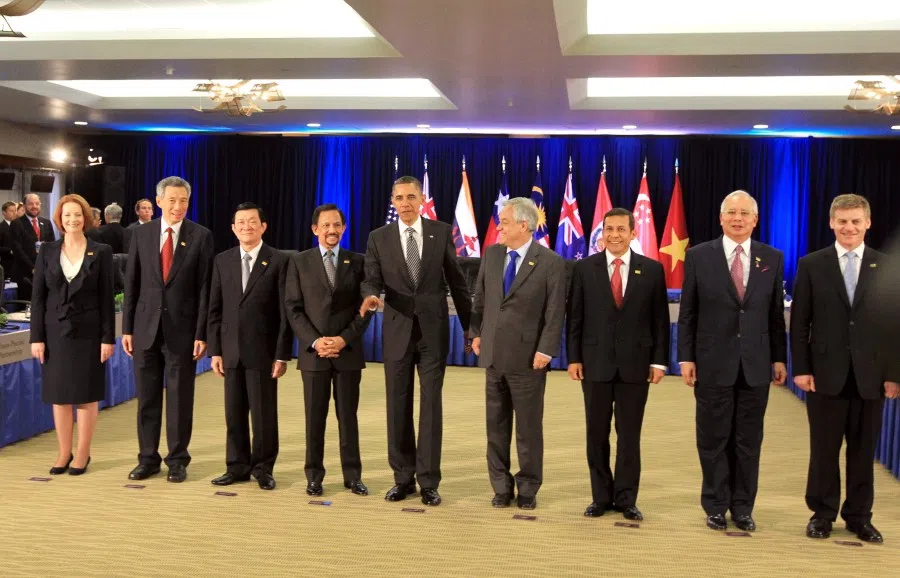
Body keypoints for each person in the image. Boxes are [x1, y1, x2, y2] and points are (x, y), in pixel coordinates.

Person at [791, 194, 899, 544]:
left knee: (863, 451)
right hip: (825, 374)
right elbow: (800, 322)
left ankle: (859, 516)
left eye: (855, 221)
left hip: (871, 376)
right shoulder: (811, 264)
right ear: (831, 223)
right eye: (842, 221)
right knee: (824, 450)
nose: (849, 227)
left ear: (868, 223)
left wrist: (894, 374)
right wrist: (801, 368)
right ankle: (822, 514)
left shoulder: (886, 267)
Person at [677, 190, 787, 532]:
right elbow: (688, 312)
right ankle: (715, 505)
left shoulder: (772, 257)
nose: (738, 219)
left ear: (755, 220)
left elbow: (774, 315)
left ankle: (742, 508)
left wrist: (779, 358)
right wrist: (686, 357)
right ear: (721, 218)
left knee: (748, 441)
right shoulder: (698, 256)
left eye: (744, 213)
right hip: (712, 362)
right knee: (713, 438)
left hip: (756, 365)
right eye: (731, 213)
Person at [359, 176, 472, 506]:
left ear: (422, 200)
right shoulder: (379, 237)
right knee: (398, 406)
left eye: (411, 197)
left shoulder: (441, 232)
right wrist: (370, 296)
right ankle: (403, 478)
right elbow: (371, 279)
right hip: (397, 332)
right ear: (392, 201)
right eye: (399, 198)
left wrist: (471, 328)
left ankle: (429, 481)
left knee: (431, 406)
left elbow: (457, 283)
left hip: (433, 333)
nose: (405, 203)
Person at [567, 207, 669, 520]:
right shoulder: (584, 269)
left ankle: (626, 499)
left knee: (629, 436)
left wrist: (659, 362)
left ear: (633, 233)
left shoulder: (652, 270)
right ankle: (600, 497)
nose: (614, 235)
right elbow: (575, 318)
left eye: (621, 229)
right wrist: (573, 358)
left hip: (636, 366)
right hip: (594, 364)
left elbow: (660, 321)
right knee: (596, 435)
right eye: (609, 229)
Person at [469, 197, 565, 510]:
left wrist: (546, 349)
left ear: (524, 225)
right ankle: (500, 487)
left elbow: (554, 312)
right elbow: (480, 299)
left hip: (528, 359)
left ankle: (527, 489)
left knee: (528, 429)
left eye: (505, 222)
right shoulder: (492, 254)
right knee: (495, 428)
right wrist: (475, 333)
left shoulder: (550, 261)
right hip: (493, 356)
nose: (500, 227)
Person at [122, 176, 214, 483]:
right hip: (145, 329)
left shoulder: (201, 236)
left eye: (183, 200)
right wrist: (127, 328)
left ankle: (177, 459)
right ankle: (147, 458)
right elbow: (132, 282)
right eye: (172, 200)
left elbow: (204, 289)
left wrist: (201, 333)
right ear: (159, 201)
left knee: (179, 398)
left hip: (183, 331)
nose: (178, 206)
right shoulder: (141, 233)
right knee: (147, 398)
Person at [285, 204, 372, 497]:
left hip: (347, 353)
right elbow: (293, 308)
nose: (331, 230)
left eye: (336, 225)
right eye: (326, 225)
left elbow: (365, 309)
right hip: (314, 355)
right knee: (314, 419)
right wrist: (316, 341)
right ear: (315, 229)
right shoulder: (299, 262)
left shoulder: (358, 262)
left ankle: (353, 477)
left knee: (348, 418)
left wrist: (343, 340)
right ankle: (314, 477)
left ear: (344, 228)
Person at [207, 203, 292, 491]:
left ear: (263, 226)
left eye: (252, 221)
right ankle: (236, 466)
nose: (246, 226)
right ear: (233, 228)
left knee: (263, 414)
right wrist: (215, 350)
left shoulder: (279, 260)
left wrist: (281, 354)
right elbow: (215, 308)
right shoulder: (222, 260)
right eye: (240, 222)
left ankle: (263, 468)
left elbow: (285, 313)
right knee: (234, 413)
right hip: (230, 350)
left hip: (263, 352)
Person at [29, 194, 114, 476]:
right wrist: (36, 337)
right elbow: (38, 298)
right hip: (55, 333)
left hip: (89, 333)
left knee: (86, 395)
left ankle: (82, 453)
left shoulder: (101, 251)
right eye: (67, 215)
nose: (72, 220)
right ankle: (63, 452)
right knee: (60, 395)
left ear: (85, 218)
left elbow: (106, 299)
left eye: (77, 214)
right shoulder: (47, 250)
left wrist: (107, 338)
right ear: (60, 219)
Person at [10, 193, 56, 300]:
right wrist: (33, 268)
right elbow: (18, 250)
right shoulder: (16, 224)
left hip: (44, 273)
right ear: (24, 206)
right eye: (31, 204)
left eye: (37, 203)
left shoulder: (46, 223)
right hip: (25, 274)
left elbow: (52, 246)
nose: (34, 206)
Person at [0, 201, 16, 279]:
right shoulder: (1, 227)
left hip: (21, 266)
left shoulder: (20, 226)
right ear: (4, 213)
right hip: (8, 265)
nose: (14, 213)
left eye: (15, 210)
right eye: (11, 211)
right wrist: (10, 250)